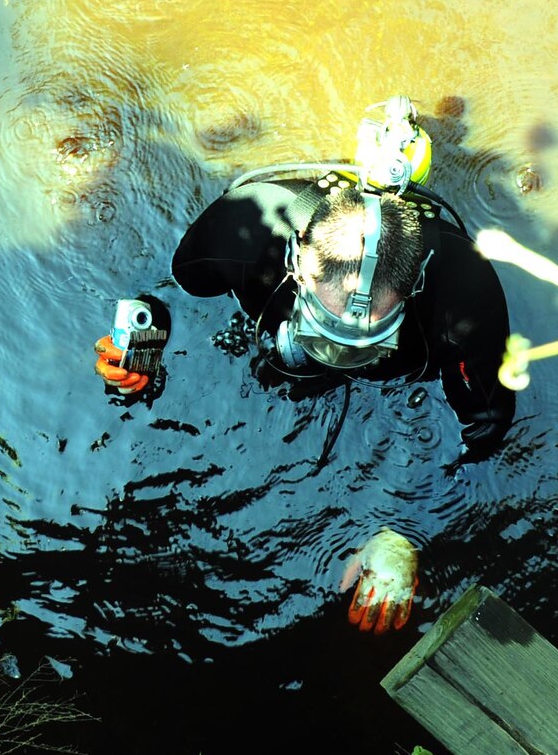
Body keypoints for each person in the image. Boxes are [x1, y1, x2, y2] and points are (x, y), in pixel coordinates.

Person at [93, 169, 516, 632]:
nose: (337, 358)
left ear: (412, 287)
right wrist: (145, 341)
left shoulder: (464, 290)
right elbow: (167, 289)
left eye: (365, 341)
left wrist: (406, 531)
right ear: (299, 257)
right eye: (324, 328)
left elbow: (484, 426)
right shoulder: (249, 224)